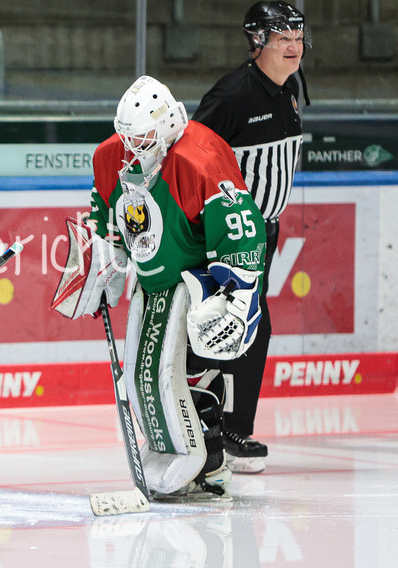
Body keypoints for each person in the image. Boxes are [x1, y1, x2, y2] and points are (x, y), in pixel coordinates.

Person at [52, 75, 266, 499]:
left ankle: (210, 464)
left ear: (169, 127)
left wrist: (238, 294)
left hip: (198, 279)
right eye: (127, 137)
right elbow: (106, 217)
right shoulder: (110, 155)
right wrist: (104, 264)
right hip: (151, 282)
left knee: (190, 369)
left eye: (143, 139)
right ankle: (175, 453)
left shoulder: (200, 157)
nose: (133, 148)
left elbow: (240, 228)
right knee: (144, 375)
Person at [191, 0, 308, 474]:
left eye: (298, 38)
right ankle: (223, 430)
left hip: (264, 233)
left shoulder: (289, 87)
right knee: (238, 326)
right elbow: (190, 155)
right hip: (231, 237)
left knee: (242, 326)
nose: (294, 47)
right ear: (258, 42)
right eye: (283, 39)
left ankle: (224, 429)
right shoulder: (233, 94)